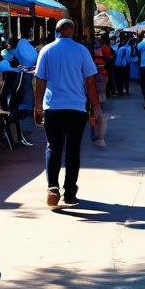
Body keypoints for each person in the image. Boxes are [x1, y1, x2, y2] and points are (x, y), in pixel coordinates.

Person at [34, 18, 99, 209]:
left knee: (53, 147)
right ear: (74, 31)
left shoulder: (47, 50)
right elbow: (90, 82)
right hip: (77, 108)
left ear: (56, 31)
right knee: (73, 150)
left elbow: (40, 81)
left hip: (53, 107)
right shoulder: (82, 51)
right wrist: (95, 107)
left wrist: (37, 107)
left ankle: (52, 188)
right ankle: (70, 192)